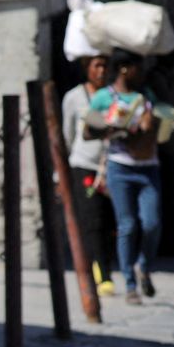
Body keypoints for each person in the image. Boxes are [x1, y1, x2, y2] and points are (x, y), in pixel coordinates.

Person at [85, 49, 160, 305]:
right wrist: (113, 128)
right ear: (125, 68)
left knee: (151, 223)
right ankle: (130, 284)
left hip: (148, 166)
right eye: (137, 66)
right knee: (127, 226)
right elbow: (87, 131)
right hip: (120, 167)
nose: (141, 72)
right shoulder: (103, 98)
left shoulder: (145, 96)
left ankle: (144, 266)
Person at [62, 54, 118, 296]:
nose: (102, 71)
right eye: (97, 65)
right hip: (84, 164)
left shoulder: (115, 96)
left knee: (109, 220)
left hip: (111, 164)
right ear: (87, 68)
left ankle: (107, 265)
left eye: (106, 65)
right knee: (92, 219)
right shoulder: (74, 97)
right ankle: (101, 272)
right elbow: (67, 135)